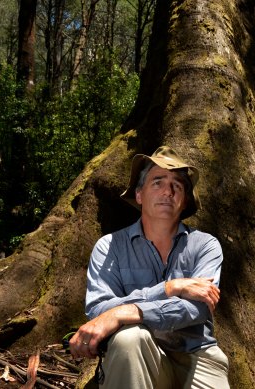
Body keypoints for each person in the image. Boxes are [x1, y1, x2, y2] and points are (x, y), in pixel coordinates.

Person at [69, 146, 229, 388]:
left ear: (184, 200)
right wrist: (168, 288)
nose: (167, 191)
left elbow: (198, 308)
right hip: (134, 355)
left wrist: (124, 312)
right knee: (130, 338)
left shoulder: (205, 245)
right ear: (140, 194)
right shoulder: (109, 246)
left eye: (178, 185)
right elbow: (98, 311)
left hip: (197, 355)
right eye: (157, 182)